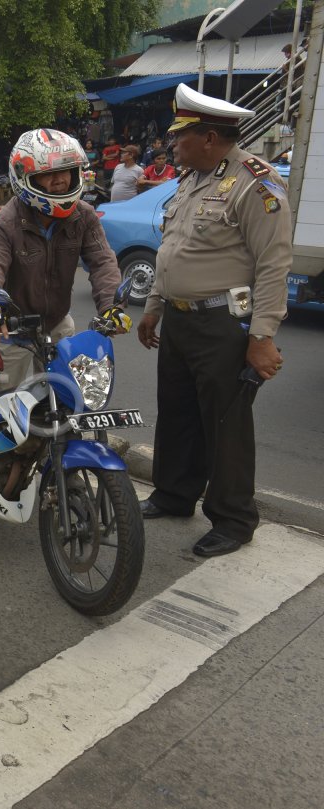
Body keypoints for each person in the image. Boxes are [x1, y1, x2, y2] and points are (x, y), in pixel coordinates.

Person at [136, 84, 292, 558]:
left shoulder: (254, 182)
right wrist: (154, 306)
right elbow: (174, 251)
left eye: (180, 136)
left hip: (224, 322)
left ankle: (233, 519)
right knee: (177, 409)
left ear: (207, 137)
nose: (172, 144)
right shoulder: (192, 180)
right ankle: (174, 493)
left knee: (224, 422)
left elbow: (273, 263)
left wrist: (262, 336)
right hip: (182, 321)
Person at [0, 128, 127, 389]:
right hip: (10, 327)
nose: (60, 180)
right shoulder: (7, 221)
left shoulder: (84, 216)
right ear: (25, 178)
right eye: (48, 174)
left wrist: (111, 305)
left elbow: (103, 263)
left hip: (57, 322)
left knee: (69, 399)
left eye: (65, 171)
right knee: (0, 406)